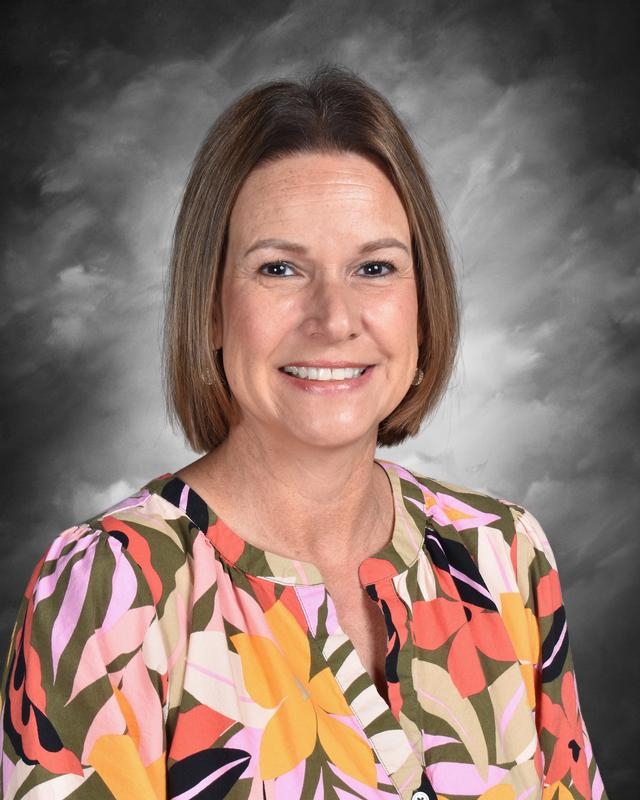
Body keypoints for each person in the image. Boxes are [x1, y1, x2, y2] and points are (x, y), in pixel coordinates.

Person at [0, 66, 606, 800]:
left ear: (424, 302)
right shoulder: (114, 590)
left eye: (374, 267)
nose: (334, 318)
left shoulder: (504, 556)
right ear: (213, 307)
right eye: (280, 268)